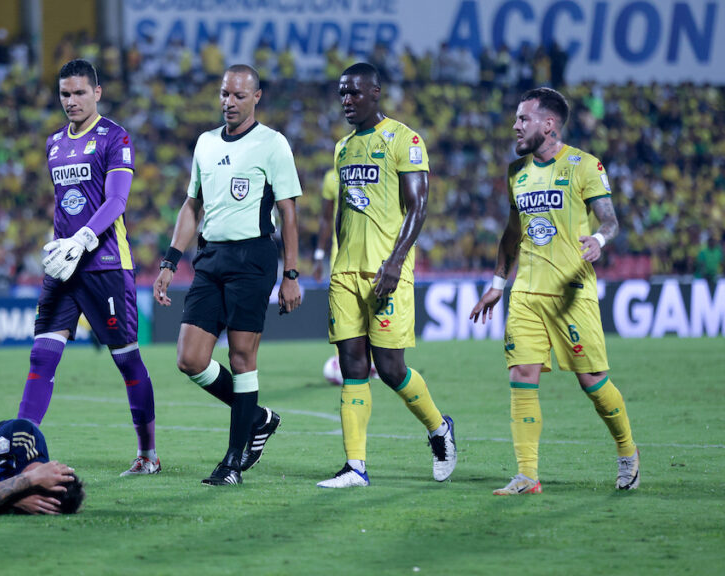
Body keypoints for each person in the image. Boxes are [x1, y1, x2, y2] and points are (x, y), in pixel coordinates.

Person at [470, 87, 639, 495]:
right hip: (526, 294)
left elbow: (611, 221)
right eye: (516, 118)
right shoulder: (516, 172)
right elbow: (512, 234)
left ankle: (627, 452)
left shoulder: (583, 165)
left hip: (570, 293)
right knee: (521, 375)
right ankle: (527, 475)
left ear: (549, 124)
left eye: (523, 119)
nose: (515, 125)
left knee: (593, 382)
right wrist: (497, 284)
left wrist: (599, 238)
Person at [154, 64, 302, 486]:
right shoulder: (204, 143)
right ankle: (256, 418)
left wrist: (291, 273)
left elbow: (289, 212)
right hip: (211, 257)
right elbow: (191, 206)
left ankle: (233, 463)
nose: (229, 102)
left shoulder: (272, 144)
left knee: (241, 358)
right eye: (224, 94)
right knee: (190, 358)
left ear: (256, 97)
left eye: (238, 95)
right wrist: (169, 261)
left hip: (253, 259)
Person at [318, 62, 457, 489]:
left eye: (354, 93)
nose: (346, 100)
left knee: (392, 368)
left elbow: (419, 205)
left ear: (375, 93)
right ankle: (355, 466)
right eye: (342, 93)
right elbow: (342, 213)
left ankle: (439, 429)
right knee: (351, 365)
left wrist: (396, 260)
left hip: (386, 271)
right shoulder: (342, 149)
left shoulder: (404, 140)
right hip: (345, 274)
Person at [22, 59, 160, 477]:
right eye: (65, 93)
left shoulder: (114, 136)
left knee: (127, 361)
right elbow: (66, 203)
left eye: (80, 92)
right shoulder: (53, 143)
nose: (72, 101)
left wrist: (83, 238)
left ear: (96, 93)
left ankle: (148, 454)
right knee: (41, 357)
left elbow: (116, 201)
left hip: (105, 265)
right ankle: (21, 451)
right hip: (65, 269)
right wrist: (60, 246)